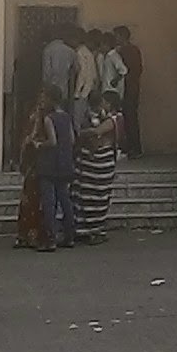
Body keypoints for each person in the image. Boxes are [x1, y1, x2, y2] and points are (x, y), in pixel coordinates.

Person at [30, 85, 76, 251]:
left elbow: (52, 141)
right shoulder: (66, 117)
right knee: (65, 199)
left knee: (49, 202)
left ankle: (50, 238)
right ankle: (70, 234)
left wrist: (39, 145)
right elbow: (71, 139)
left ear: (50, 98)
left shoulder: (49, 118)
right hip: (65, 163)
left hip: (49, 164)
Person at [72, 91, 119, 245]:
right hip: (89, 164)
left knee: (98, 197)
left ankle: (95, 229)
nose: (101, 104)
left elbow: (97, 132)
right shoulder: (94, 116)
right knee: (85, 196)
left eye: (104, 101)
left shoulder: (114, 119)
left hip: (101, 163)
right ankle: (83, 229)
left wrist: (80, 133)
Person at [13, 93, 47, 250]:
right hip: (31, 164)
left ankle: (33, 235)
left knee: (36, 202)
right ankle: (24, 235)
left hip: (40, 163)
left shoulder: (47, 120)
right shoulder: (33, 119)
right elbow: (25, 140)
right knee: (28, 201)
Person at [113, 26, 144, 158]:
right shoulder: (134, 50)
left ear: (122, 36)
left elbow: (125, 70)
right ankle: (133, 148)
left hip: (127, 89)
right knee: (130, 118)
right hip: (133, 88)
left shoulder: (125, 51)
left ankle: (132, 148)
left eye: (116, 36)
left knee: (128, 118)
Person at [72, 27, 98, 126]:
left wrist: (77, 92)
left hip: (81, 92)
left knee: (77, 120)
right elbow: (94, 75)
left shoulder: (80, 53)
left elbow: (82, 73)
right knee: (87, 120)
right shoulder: (89, 53)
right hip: (89, 91)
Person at [97, 31, 127, 98]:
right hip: (106, 89)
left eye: (101, 44)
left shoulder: (113, 56)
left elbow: (123, 70)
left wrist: (115, 81)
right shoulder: (106, 56)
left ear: (106, 44)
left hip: (112, 90)